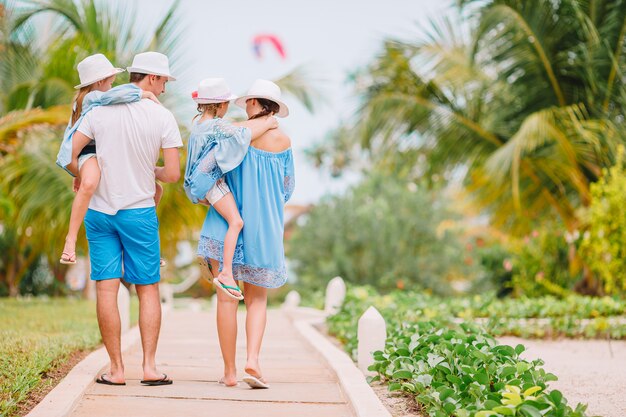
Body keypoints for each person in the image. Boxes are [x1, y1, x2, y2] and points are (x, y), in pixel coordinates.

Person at [67, 51, 182, 386]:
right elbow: (172, 174)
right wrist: (152, 170)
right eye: (163, 82)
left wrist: (86, 175)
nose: (164, 90)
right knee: (147, 289)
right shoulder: (162, 117)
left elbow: (70, 155)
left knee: (106, 289)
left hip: (99, 213)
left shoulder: (98, 110)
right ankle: (148, 367)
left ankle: (116, 370)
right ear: (152, 79)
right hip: (139, 213)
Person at [198, 79, 294, 388]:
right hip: (264, 228)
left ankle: (229, 372)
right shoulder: (284, 141)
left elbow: (212, 170)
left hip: (225, 223)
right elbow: (287, 189)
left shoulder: (235, 135)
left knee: (227, 298)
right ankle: (252, 361)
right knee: (258, 300)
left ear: (254, 103)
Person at [56, 53, 161, 265]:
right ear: (100, 82)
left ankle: (145, 238)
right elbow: (111, 96)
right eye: (110, 82)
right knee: (90, 182)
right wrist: (143, 94)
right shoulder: (91, 97)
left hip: (102, 151)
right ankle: (70, 240)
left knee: (156, 190)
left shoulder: (87, 99)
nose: (111, 86)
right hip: (89, 152)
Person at [184, 78, 278, 300]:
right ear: (219, 105)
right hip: (212, 183)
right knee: (237, 221)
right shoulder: (214, 126)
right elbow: (242, 135)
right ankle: (227, 272)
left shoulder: (199, 123)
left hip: (202, 184)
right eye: (226, 103)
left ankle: (225, 270)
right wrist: (267, 124)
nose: (228, 107)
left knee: (233, 221)